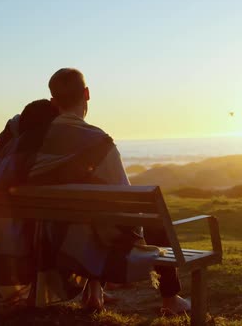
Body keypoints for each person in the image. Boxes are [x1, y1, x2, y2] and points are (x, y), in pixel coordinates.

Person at [24, 68, 191, 314]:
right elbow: (127, 201)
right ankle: (171, 299)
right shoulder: (99, 143)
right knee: (154, 223)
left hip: (51, 237)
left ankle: (94, 291)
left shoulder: (35, 142)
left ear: (53, 101)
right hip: (90, 239)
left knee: (90, 218)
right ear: (87, 94)